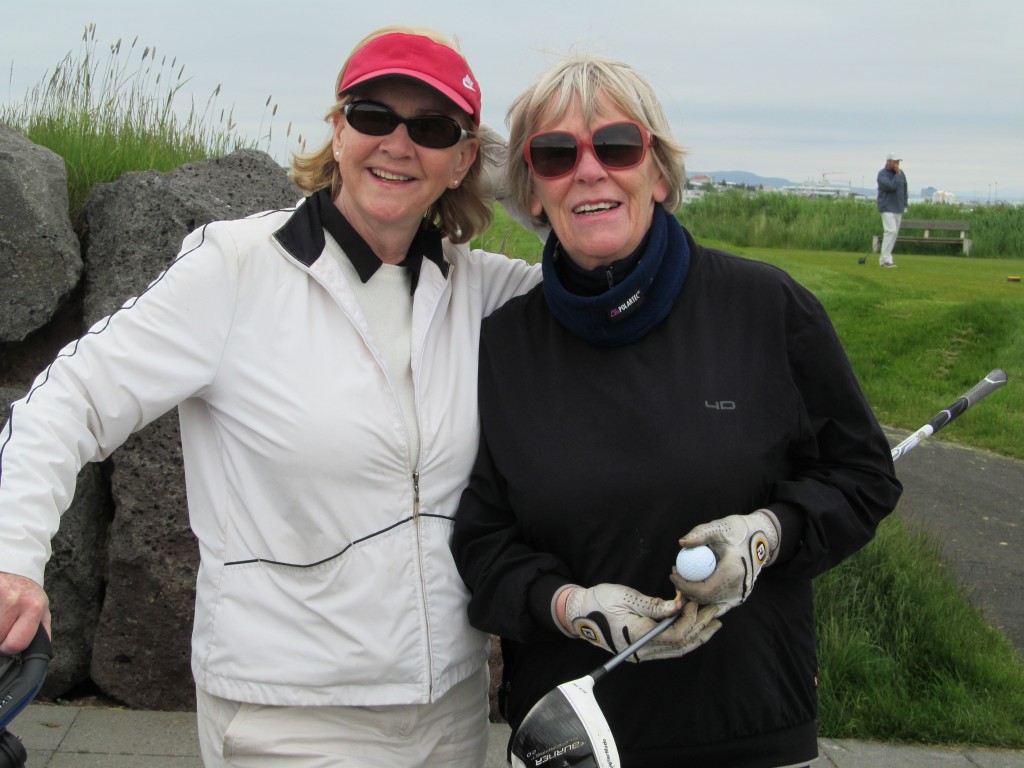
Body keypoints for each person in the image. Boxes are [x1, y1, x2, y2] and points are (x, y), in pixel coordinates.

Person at [0, 26, 541, 768]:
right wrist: (12, 557)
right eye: (373, 116)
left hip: (449, 710)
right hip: (286, 715)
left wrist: (521, 170)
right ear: (338, 130)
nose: (398, 143)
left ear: (466, 159)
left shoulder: (482, 291)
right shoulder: (235, 268)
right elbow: (68, 402)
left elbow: (599, 250)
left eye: (433, 129)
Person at [452, 52, 903, 768]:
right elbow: (483, 544)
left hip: (747, 724)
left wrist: (768, 534)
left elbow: (863, 477)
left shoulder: (767, 308)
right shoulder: (503, 346)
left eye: (617, 146)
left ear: (660, 174)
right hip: (570, 735)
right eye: (557, 154)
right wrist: (569, 606)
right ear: (533, 193)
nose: (589, 170)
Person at [877, 152, 908, 268]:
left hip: (898, 207)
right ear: (888, 161)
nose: (897, 164)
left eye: (898, 161)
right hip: (887, 207)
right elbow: (891, 186)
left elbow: (904, 189)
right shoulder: (882, 174)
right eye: (894, 161)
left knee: (894, 233)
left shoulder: (901, 173)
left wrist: (905, 204)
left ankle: (885, 258)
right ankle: (886, 259)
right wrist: (898, 174)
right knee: (890, 231)